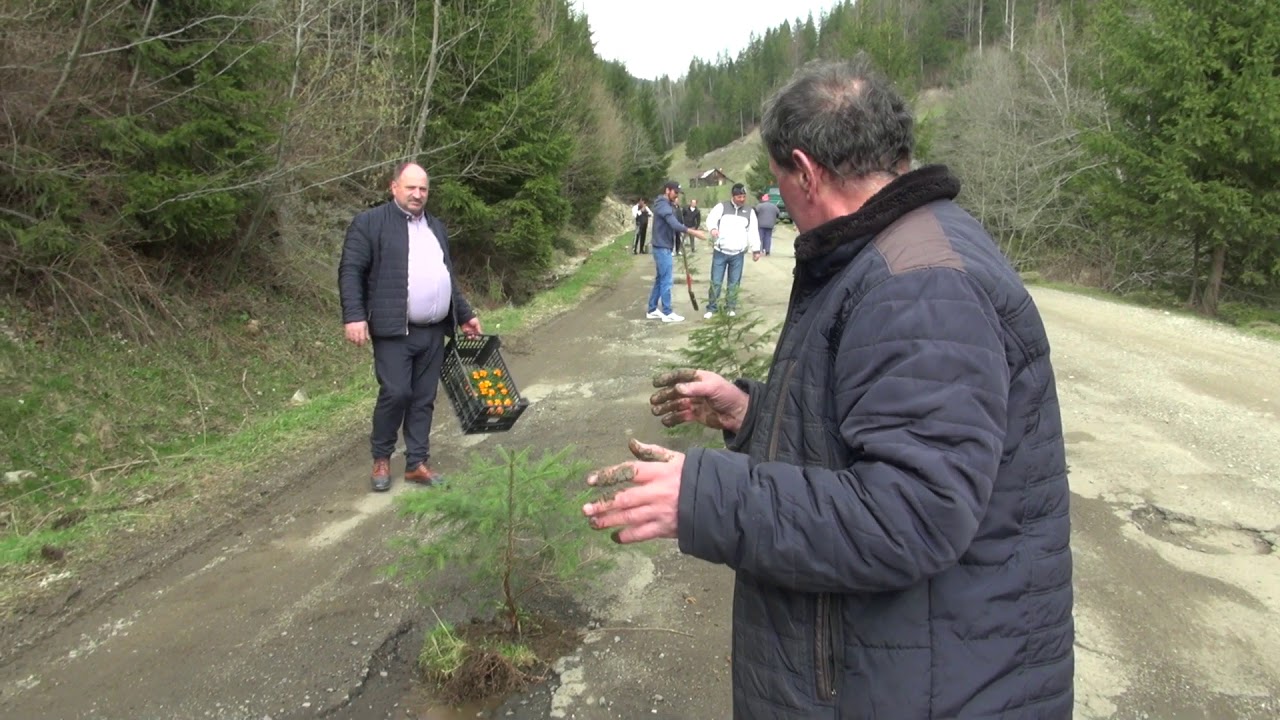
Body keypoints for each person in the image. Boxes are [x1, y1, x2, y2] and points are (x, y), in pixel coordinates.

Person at [583, 55, 1073, 719]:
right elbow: (871, 432)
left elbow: (911, 514)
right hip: (889, 672)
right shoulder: (889, 253)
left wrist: (705, 496)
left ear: (806, 173)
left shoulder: (920, 284)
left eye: (781, 181)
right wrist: (753, 414)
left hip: (923, 692)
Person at [339, 162, 483, 492]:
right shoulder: (369, 223)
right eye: (411, 188)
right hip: (393, 329)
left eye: (423, 189)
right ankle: (381, 457)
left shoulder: (436, 228)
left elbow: (447, 277)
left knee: (423, 398)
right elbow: (350, 272)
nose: (417, 195)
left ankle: (417, 463)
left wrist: (464, 314)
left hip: (433, 330)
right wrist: (354, 316)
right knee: (396, 393)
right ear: (394, 188)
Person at [645, 181, 708, 323]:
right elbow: (673, 223)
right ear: (667, 190)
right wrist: (693, 232)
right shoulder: (662, 204)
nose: (676, 195)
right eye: (675, 192)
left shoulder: (668, 205)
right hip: (661, 247)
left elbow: (674, 223)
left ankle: (652, 309)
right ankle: (667, 312)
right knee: (666, 279)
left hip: (663, 245)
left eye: (678, 193)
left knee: (660, 279)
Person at [702, 183, 760, 318]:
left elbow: (753, 231)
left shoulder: (749, 211)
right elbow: (711, 219)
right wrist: (713, 229)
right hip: (720, 252)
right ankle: (712, 308)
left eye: (744, 196)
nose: (742, 199)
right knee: (716, 281)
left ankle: (730, 307)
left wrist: (756, 249)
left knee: (734, 282)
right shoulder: (721, 207)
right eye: (739, 196)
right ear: (733, 196)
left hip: (738, 254)